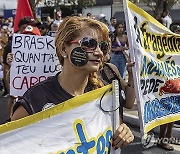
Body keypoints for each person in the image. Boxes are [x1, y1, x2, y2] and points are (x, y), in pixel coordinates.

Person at [11, 16, 134, 149]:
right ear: (64, 49)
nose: (98, 52)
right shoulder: (35, 99)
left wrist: (123, 132)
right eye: (88, 43)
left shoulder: (103, 95)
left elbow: (117, 127)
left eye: (102, 46)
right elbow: (10, 145)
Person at [157, 23, 180, 151]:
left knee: (175, 112)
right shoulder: (165, 49)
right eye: (177, 32)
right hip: (168, 84)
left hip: (178, 84)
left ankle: (168, 136)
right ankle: (162, 139)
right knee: (167, 111)